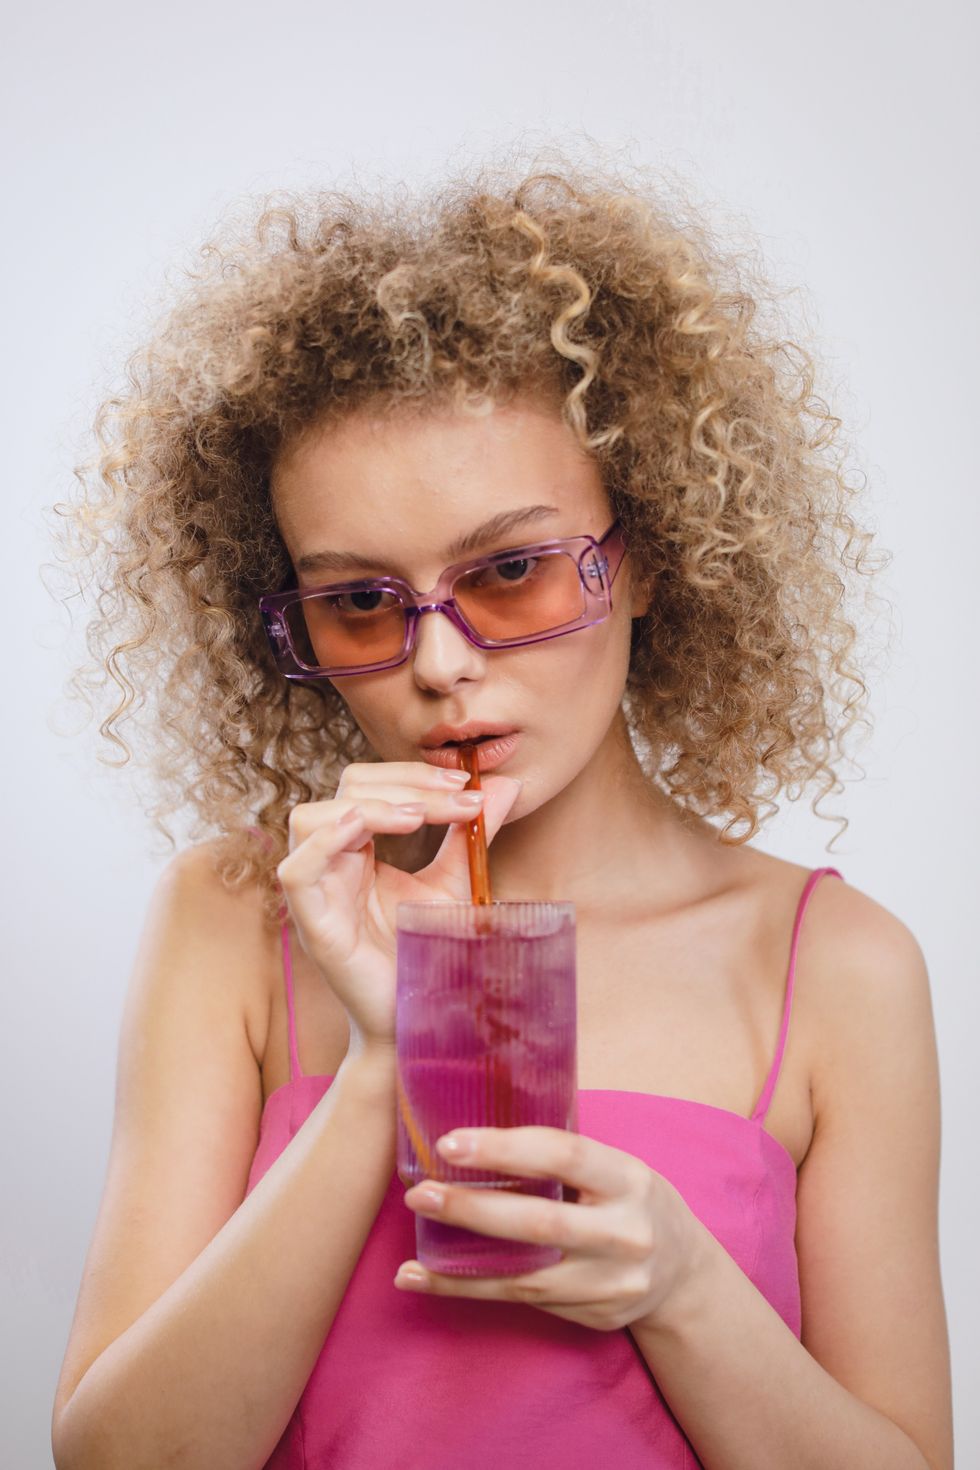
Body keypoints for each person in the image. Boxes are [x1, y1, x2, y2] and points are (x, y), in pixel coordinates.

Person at [49, 156, 952, 1470]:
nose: (440, 662)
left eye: (512, 571)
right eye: (361, 599)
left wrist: (685, 1289)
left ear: (644, 556)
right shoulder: (232, 920)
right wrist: (385, 1056)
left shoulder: (838, 968)